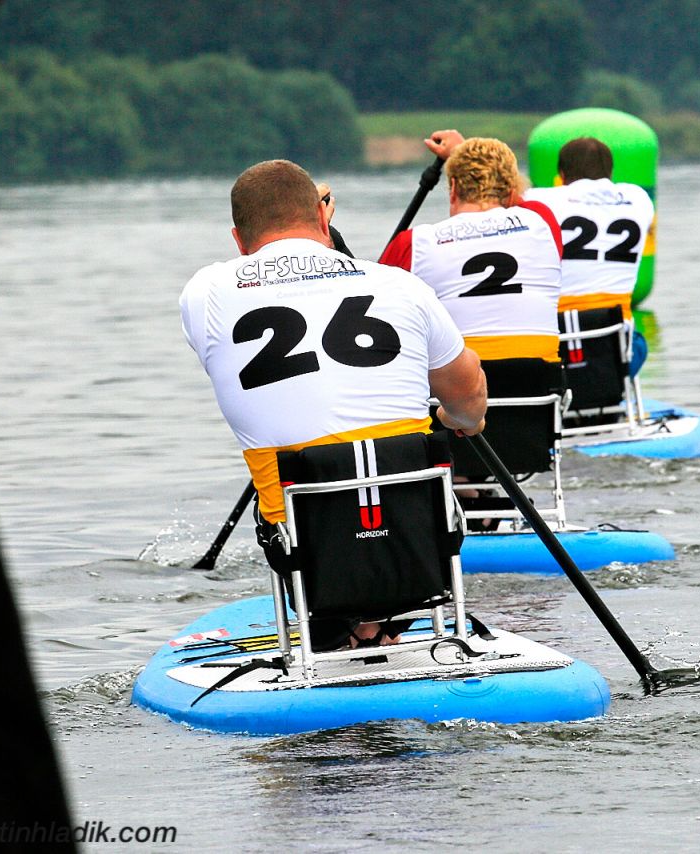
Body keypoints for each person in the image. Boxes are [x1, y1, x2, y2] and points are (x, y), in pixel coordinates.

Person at [180, 159, 486, 646]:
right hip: (418, 532)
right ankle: (382, 623)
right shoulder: (399, 285)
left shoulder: (205, 292)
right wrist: (461, 419)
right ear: (324, 220)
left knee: (295, 480)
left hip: (306, 545)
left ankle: (344, 626)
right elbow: (468, 391)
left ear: (237, 241)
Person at [379, 131, 563, 365]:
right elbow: (519, 200)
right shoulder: (542, 221)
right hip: (538, 389)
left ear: (453, 187)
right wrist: (464, 153)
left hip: (455, 395)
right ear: (510, 191)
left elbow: (381, 313)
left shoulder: (412, 244)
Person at [522, 137, 654, 375]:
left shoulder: (538, 200)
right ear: (610, 172)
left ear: (561, 175)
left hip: (557, 348)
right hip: (618, 351)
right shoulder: (639, 199)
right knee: (640, 342)